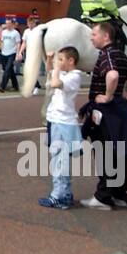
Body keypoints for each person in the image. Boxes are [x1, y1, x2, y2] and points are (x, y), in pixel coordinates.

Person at [79, 20, 127, 209]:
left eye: (94, 34)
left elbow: (112, 75)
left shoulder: (107, 55)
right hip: (119, 111)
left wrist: (108, 96)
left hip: (107, 111)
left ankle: (103, 197)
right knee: (118, 152)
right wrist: (125, 94)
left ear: (106, 36)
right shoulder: (119, 53)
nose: (91, 37)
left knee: (105, 152)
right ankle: (120, 194)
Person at [38, 47, 86, 210]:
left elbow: (55, 82)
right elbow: (50, 72)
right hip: (56, 120)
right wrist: (51, 60)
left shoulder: (74, 76)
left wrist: (56, 68)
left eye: (61, 59)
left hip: (64, 122)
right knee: (56, 158)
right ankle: (64, 194)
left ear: (71, 61)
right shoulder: (65, 74)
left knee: (60, 160)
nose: (58, 63)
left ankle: (59, 196)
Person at [0, 17, 21, 92]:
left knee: (7, 70)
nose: (8, 25)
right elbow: (1, 41)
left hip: (12, 53)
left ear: (12, 24)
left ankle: (2, 86)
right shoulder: (3, 32)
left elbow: (18, 44)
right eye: (6, 23)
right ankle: (15, 86)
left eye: (9, 23)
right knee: (10, 70)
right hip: (4, 53)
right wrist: (0, 48)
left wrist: (18, 54)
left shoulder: (15, 33)